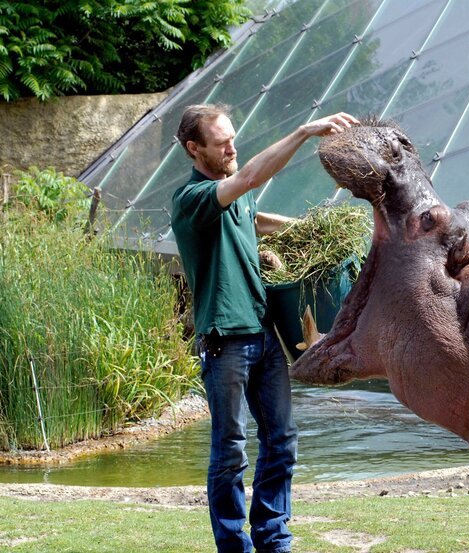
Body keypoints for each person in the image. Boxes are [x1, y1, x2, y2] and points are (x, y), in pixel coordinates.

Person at [171, 104, 358, 553]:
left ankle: (273, 538)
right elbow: (249, 181)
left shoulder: (234, 195)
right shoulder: (192, 200)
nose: (233, 147)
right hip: (224, 343)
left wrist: (317, 231)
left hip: (263, 334)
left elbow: (253, 217)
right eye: (221, 143)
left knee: (282, 440)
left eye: (233, 137)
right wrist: (303, 130)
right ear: (194, 149)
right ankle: (234, 545)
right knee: (231, 449)